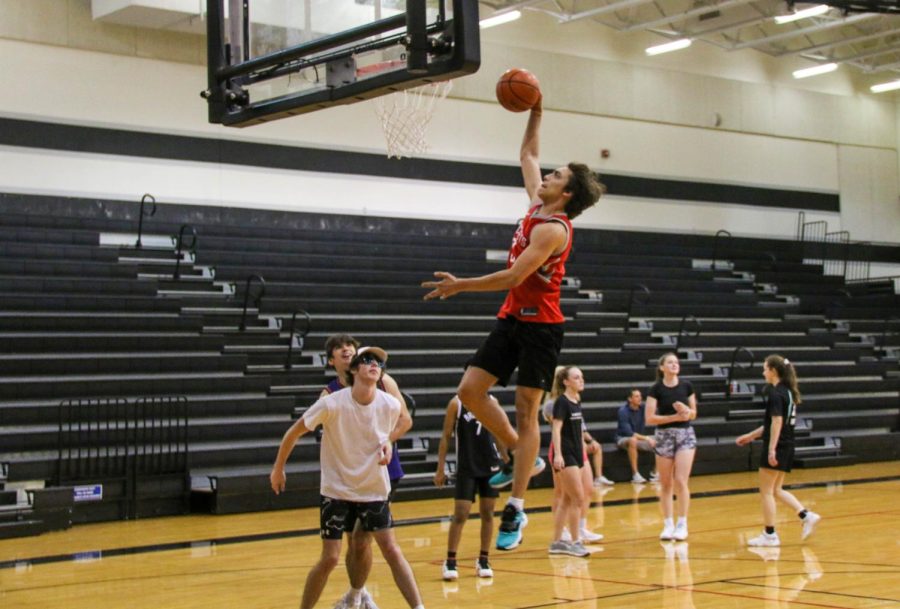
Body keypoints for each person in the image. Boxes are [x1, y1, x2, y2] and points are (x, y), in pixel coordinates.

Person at [421, 96, 605, 551]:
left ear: (565, 194)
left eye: (556, 176)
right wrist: (537, 109)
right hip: (511, 319)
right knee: (469, 391)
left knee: (527, 412)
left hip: (541, 327)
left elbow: (513, 276)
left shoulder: (553, 230)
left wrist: (460, 285)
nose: (546, 176)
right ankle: (519, 453)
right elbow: (527, 155)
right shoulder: (535, 206)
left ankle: (517, 509)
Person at [270, 346, 425, 609]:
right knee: (330, 558)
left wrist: (388, 443)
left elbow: (389, 433)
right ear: (353, 369)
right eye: (366, 360)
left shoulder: (390, 405)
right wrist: (278, 467)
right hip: (337, 491)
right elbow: (294, 432)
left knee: (391, 549)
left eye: (377, 361)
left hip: (373, 490)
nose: (373, 364)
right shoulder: (332, 403)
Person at [320, 334, 414, 609]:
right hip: (351, 475)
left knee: (363, 539)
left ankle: (358, 597)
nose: (346, 350)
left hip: (383, 470)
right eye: (340, 349)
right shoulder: (330, 393)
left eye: (350, 347)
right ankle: (357, 594)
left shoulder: (383, 381)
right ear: (333, 361)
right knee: (354, 541)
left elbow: (405, 419)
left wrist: (387, 439)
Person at [736, 354, 821, 547]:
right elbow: (772, 423)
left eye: (765, 368)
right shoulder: (788, 392)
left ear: (773, 371)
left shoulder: (775, 393)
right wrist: (751, 436)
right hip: (788, 444)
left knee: (766, 491)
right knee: (776, 490)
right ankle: (806, 515)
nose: (763, 372)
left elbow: (776, 422)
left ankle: (770, 534)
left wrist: (771, 449)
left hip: (778, 445)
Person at [433, 395, 503, 581]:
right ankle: (450, 560)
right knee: (461, 513)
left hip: (490, 464)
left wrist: (508, 460)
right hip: (467, 465)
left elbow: (499, 433)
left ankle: (484, 559)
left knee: (488, 512)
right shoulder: (457, 403)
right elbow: (446, 436)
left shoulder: (492, 403)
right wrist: (440, 468)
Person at [542, 366, 603, 551]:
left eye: (582, 377)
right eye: (577, 377)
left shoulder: (576, 401)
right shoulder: (560, 403)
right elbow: (556, 430)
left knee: (569, 499)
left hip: (577, 452)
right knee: (576, 497)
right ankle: (576, 542)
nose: (581, 380)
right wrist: (559, 454)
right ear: (565, 381)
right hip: (566, 454)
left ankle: (557, 542)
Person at [646, 352, 697, 542]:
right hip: (664, 435)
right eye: (670, 362)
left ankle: (682, 523)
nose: (674, 365)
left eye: (676, 362)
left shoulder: (687, 386)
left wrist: (686, 412)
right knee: (665, 483)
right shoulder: (655, 389)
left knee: (681, 480)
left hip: (685, 435)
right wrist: (674, 417)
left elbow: (694, 414)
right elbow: (650, 418)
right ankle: (668, 523)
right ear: (662, 367)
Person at [616, 388, 658, 484]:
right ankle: (635, 475)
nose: (640, 398)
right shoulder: (622, 411)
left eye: (640, 396)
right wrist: (647, 438)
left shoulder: (643, 408)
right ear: (630, 399)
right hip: (623, 438)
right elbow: (629, 433)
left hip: (639, 438)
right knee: (632, 440)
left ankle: (655, 473)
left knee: (662, 438)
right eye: (636, 396)